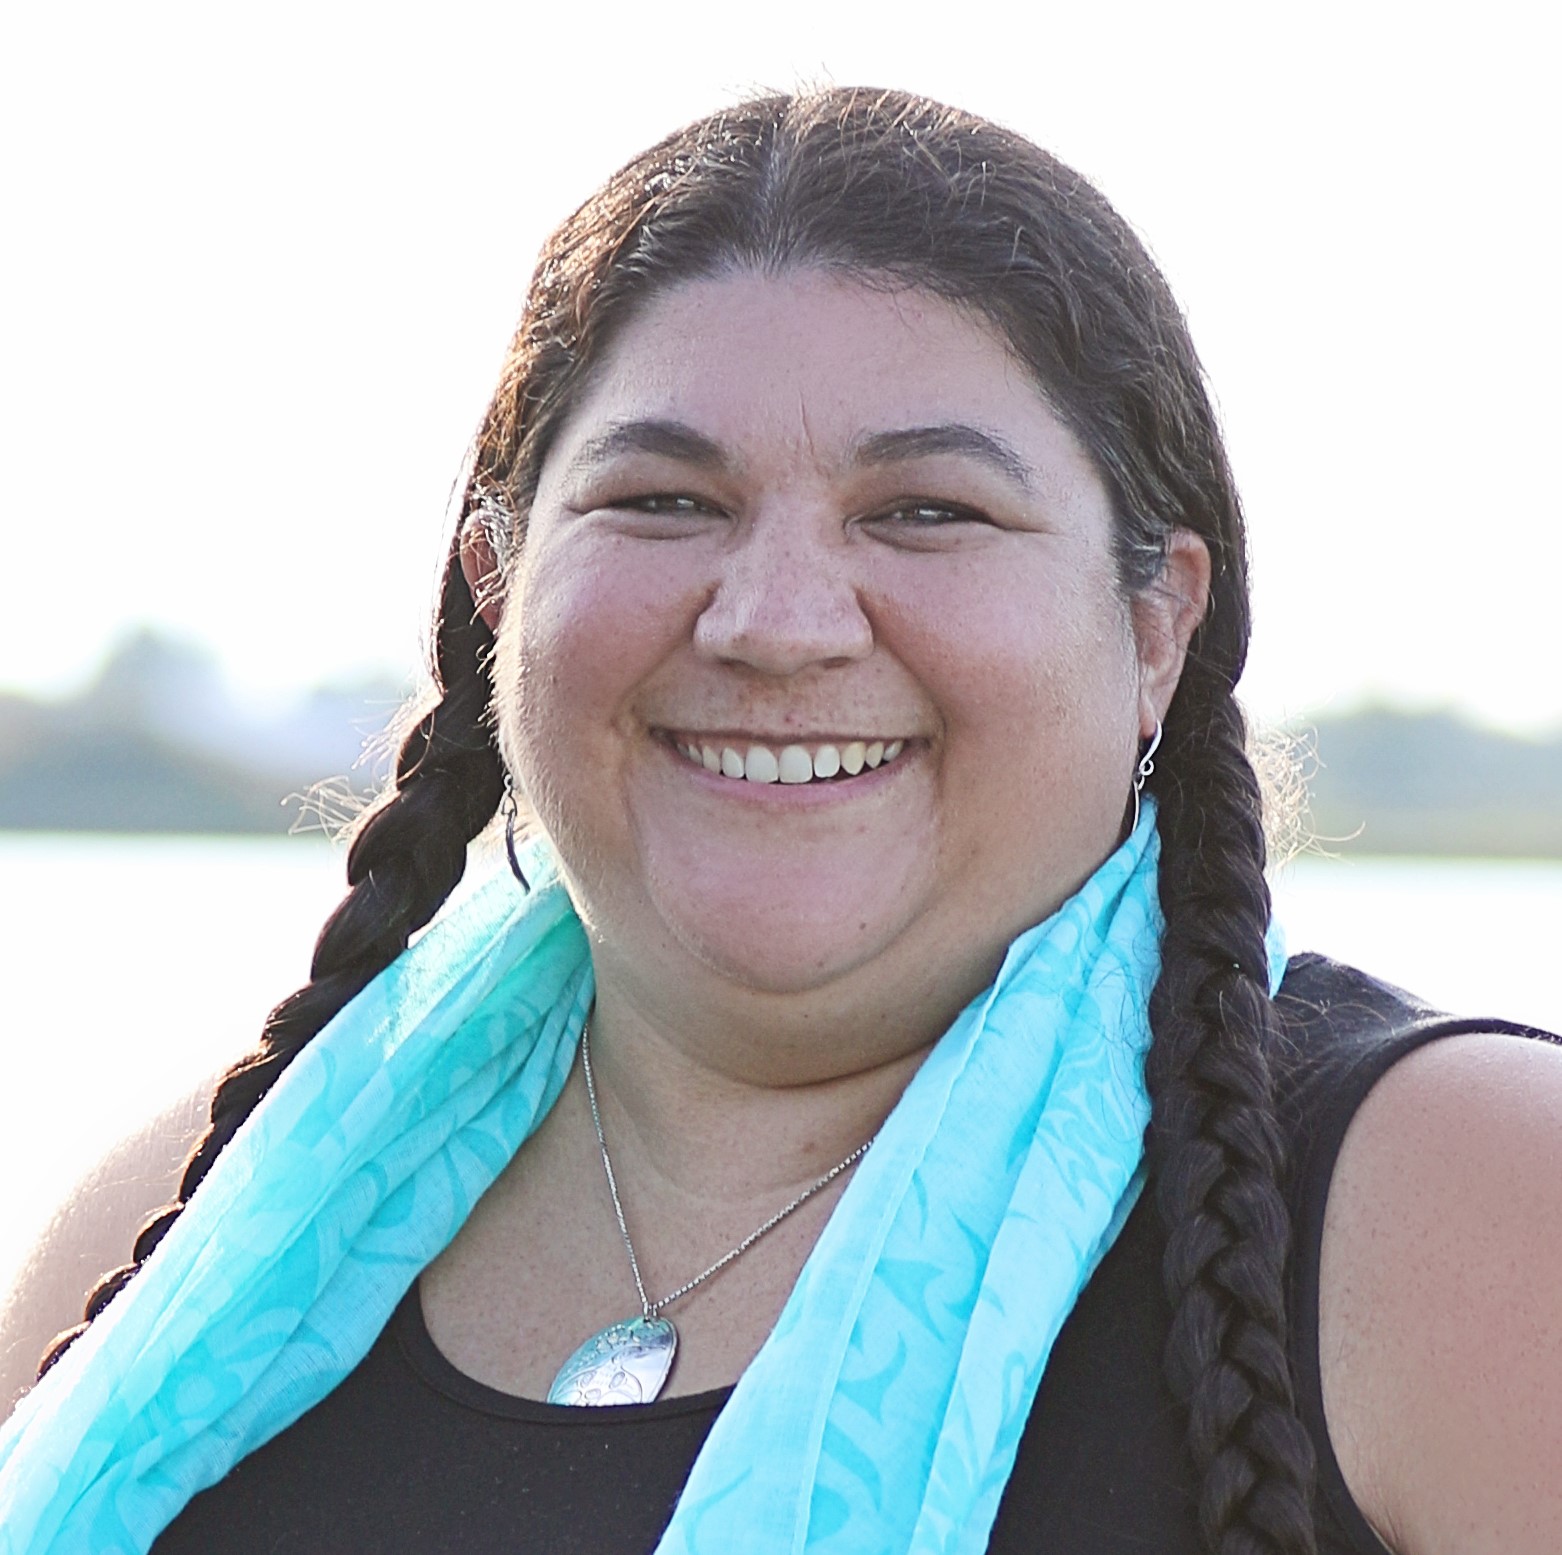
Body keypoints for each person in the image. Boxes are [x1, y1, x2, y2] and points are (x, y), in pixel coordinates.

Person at [2, 87, 1560, 1555]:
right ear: (499, 588)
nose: (775, 621)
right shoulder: (187, 1214)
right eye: (663, 503)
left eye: (925, 512)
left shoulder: (1467, 1208)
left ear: (1155, 623)